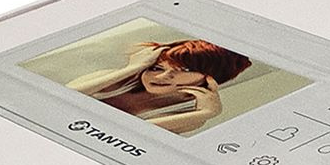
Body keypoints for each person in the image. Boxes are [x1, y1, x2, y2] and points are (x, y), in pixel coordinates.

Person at [66, 39, 252, 134]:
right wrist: (132, 68)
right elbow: (59, 96)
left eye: (183, 70)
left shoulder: (191, 116)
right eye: (157, 68)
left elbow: (128, 135)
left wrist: (207, 113)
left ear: (211, 78)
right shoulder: (113, 79)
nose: (162, 76)